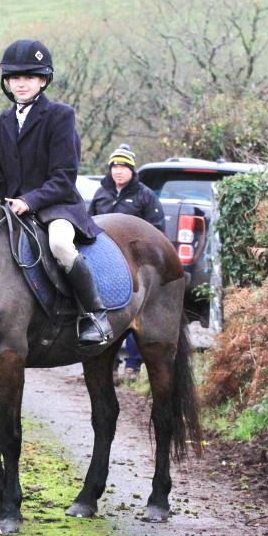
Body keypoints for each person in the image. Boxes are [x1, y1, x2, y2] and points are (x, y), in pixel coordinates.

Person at [0, 39, 112, 347]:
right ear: (7, 82)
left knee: (60, 246)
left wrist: (28, 201)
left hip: (57, 206)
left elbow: (64, 177)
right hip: (12, 209)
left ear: (43, 80)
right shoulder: (1, 123)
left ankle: (95, 314)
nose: (21, 83)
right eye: (15, 77)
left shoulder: (60, 116)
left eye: (29, 77)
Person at [89, 143, 166, 377]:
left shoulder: (145, 196)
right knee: (107, 312)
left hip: (135, 266)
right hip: (104, 265)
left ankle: (133, 365)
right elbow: (88, 224)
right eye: (114, 166)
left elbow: (157, 231)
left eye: (123, 167)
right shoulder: (101, 194)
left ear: (132, 170)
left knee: (135, 315)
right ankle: (108, 363)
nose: (118, 171)